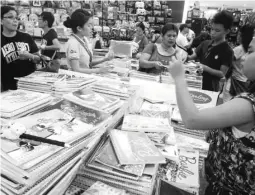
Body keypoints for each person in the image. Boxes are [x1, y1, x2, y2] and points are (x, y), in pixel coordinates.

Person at [167, 33, 255, 195]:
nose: (244, 58)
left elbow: (192, 119)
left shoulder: (249, 104)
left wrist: (179, 78)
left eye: (250, 51)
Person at [187, 11, 234, 92]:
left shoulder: (227, 51)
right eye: (212, 29)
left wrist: (205, 68)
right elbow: (192, 57)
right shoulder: (205, 43)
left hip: (212, 87)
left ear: (227, 31)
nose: (212, 33)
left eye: (217, 30)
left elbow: (222, 73)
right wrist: (184, 55)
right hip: (197, 81)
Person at [1, 6, 41, 91]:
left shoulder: (26, 37)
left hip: (31, 86)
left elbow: (39, 59)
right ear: (1, 20)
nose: (15, 20)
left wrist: (30, 56)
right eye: (10, 17)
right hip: (8, 88)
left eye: (16, 18)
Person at [64, 9, 114, 74]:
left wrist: (105, 59)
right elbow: (76, 69)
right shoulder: (73, 43)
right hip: (77, 80)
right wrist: (98, 70)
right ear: (79, 28)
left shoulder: (84, 39)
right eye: (89, 25)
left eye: (92, 25)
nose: (92, 28)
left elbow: (87, 64)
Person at [222, 24, 254, 102]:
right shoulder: (251, 49)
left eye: (239, 34)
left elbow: (227, 62)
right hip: (246, 83)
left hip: (233, 82)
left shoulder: (239, 49)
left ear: (242, 36)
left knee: (228, 103)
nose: (237, 36)